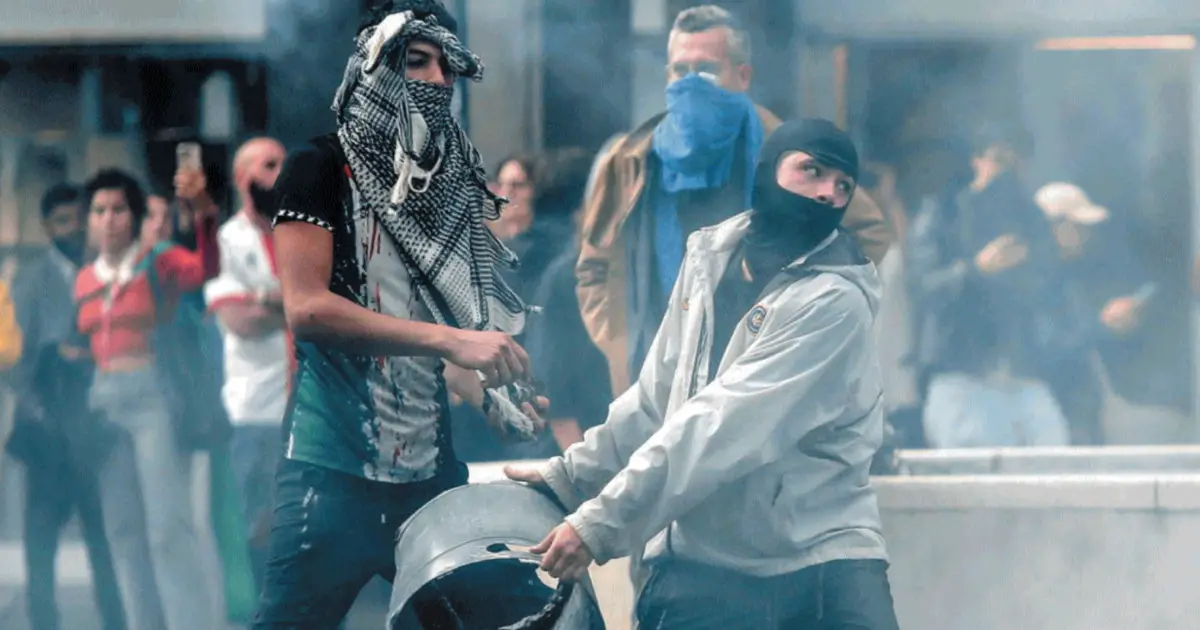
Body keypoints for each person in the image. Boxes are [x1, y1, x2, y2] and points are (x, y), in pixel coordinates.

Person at [507, 119, 899, 629]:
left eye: (843, 185)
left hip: (820, 566)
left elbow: (721, 425)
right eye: (812, 171)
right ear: (768, 170)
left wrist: (600, 524)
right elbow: (656, 400)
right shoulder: (709, 260)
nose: (828, 192)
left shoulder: (835, 299)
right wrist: (569, 478)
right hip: (704, 562)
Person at [254, 2, 547, 626]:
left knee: (508, 620)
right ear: (376, 66)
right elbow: (306, 310)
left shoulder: (444, 186)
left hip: (428, 479)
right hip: (331, 475)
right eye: (417, 61)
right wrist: (453, 342)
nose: (438, 80)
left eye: (447, 66)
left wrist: (494, 399)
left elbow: (441, 349)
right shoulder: (318, 167)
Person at [576, 4, 893, 398]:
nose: (691, 83)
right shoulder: (630, 159)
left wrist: (802, 307)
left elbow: (869, 232)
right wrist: (620, 345)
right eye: (680, 70)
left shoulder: (784, 150)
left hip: (761, 366)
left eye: (706, 70)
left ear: (742, 76)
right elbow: (594, 266)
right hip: (658, 372)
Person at [75, 168, 222, 630]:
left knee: (166, 528)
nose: (109, 219)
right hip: (102, 400)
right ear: (88, 219)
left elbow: (206, 270)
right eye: (99, 210)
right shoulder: (85, 278)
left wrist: (203, 211)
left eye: (119, 209)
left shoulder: (157, 259)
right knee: (123, 530)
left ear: (134, 215)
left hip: (149, 394)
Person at [907, 124, 1074, 448]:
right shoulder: (943, 214)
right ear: (977, 161)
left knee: (1053, 459)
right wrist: (977, 269)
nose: (1006, 171)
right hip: (961, 374)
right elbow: (924, 290)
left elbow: (1051, 293)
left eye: (1015, 161)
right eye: (999, 159)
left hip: (1022, 374)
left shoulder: (1032, 220)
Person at [5, 184, 126, 630]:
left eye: (77, 219)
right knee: (41, 543)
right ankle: (43, 623)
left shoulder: (106, 272)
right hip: (47, 430)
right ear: (46, 226)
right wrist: (37, 400)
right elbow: (12, 358)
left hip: (96, 426)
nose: (71, 229)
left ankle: (116, 620)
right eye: (61, 221)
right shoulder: (30, 280)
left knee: (105, 538)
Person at [204, 137, 289, 587]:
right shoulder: (227, 241)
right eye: (269, 165)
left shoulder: (303, 233)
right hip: (257, 409)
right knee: (257, 521)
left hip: (310, 408)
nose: (281, 173)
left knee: (306, 524)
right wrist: (299, 307)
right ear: (243, 178)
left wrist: (269, 298)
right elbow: (241, 322)